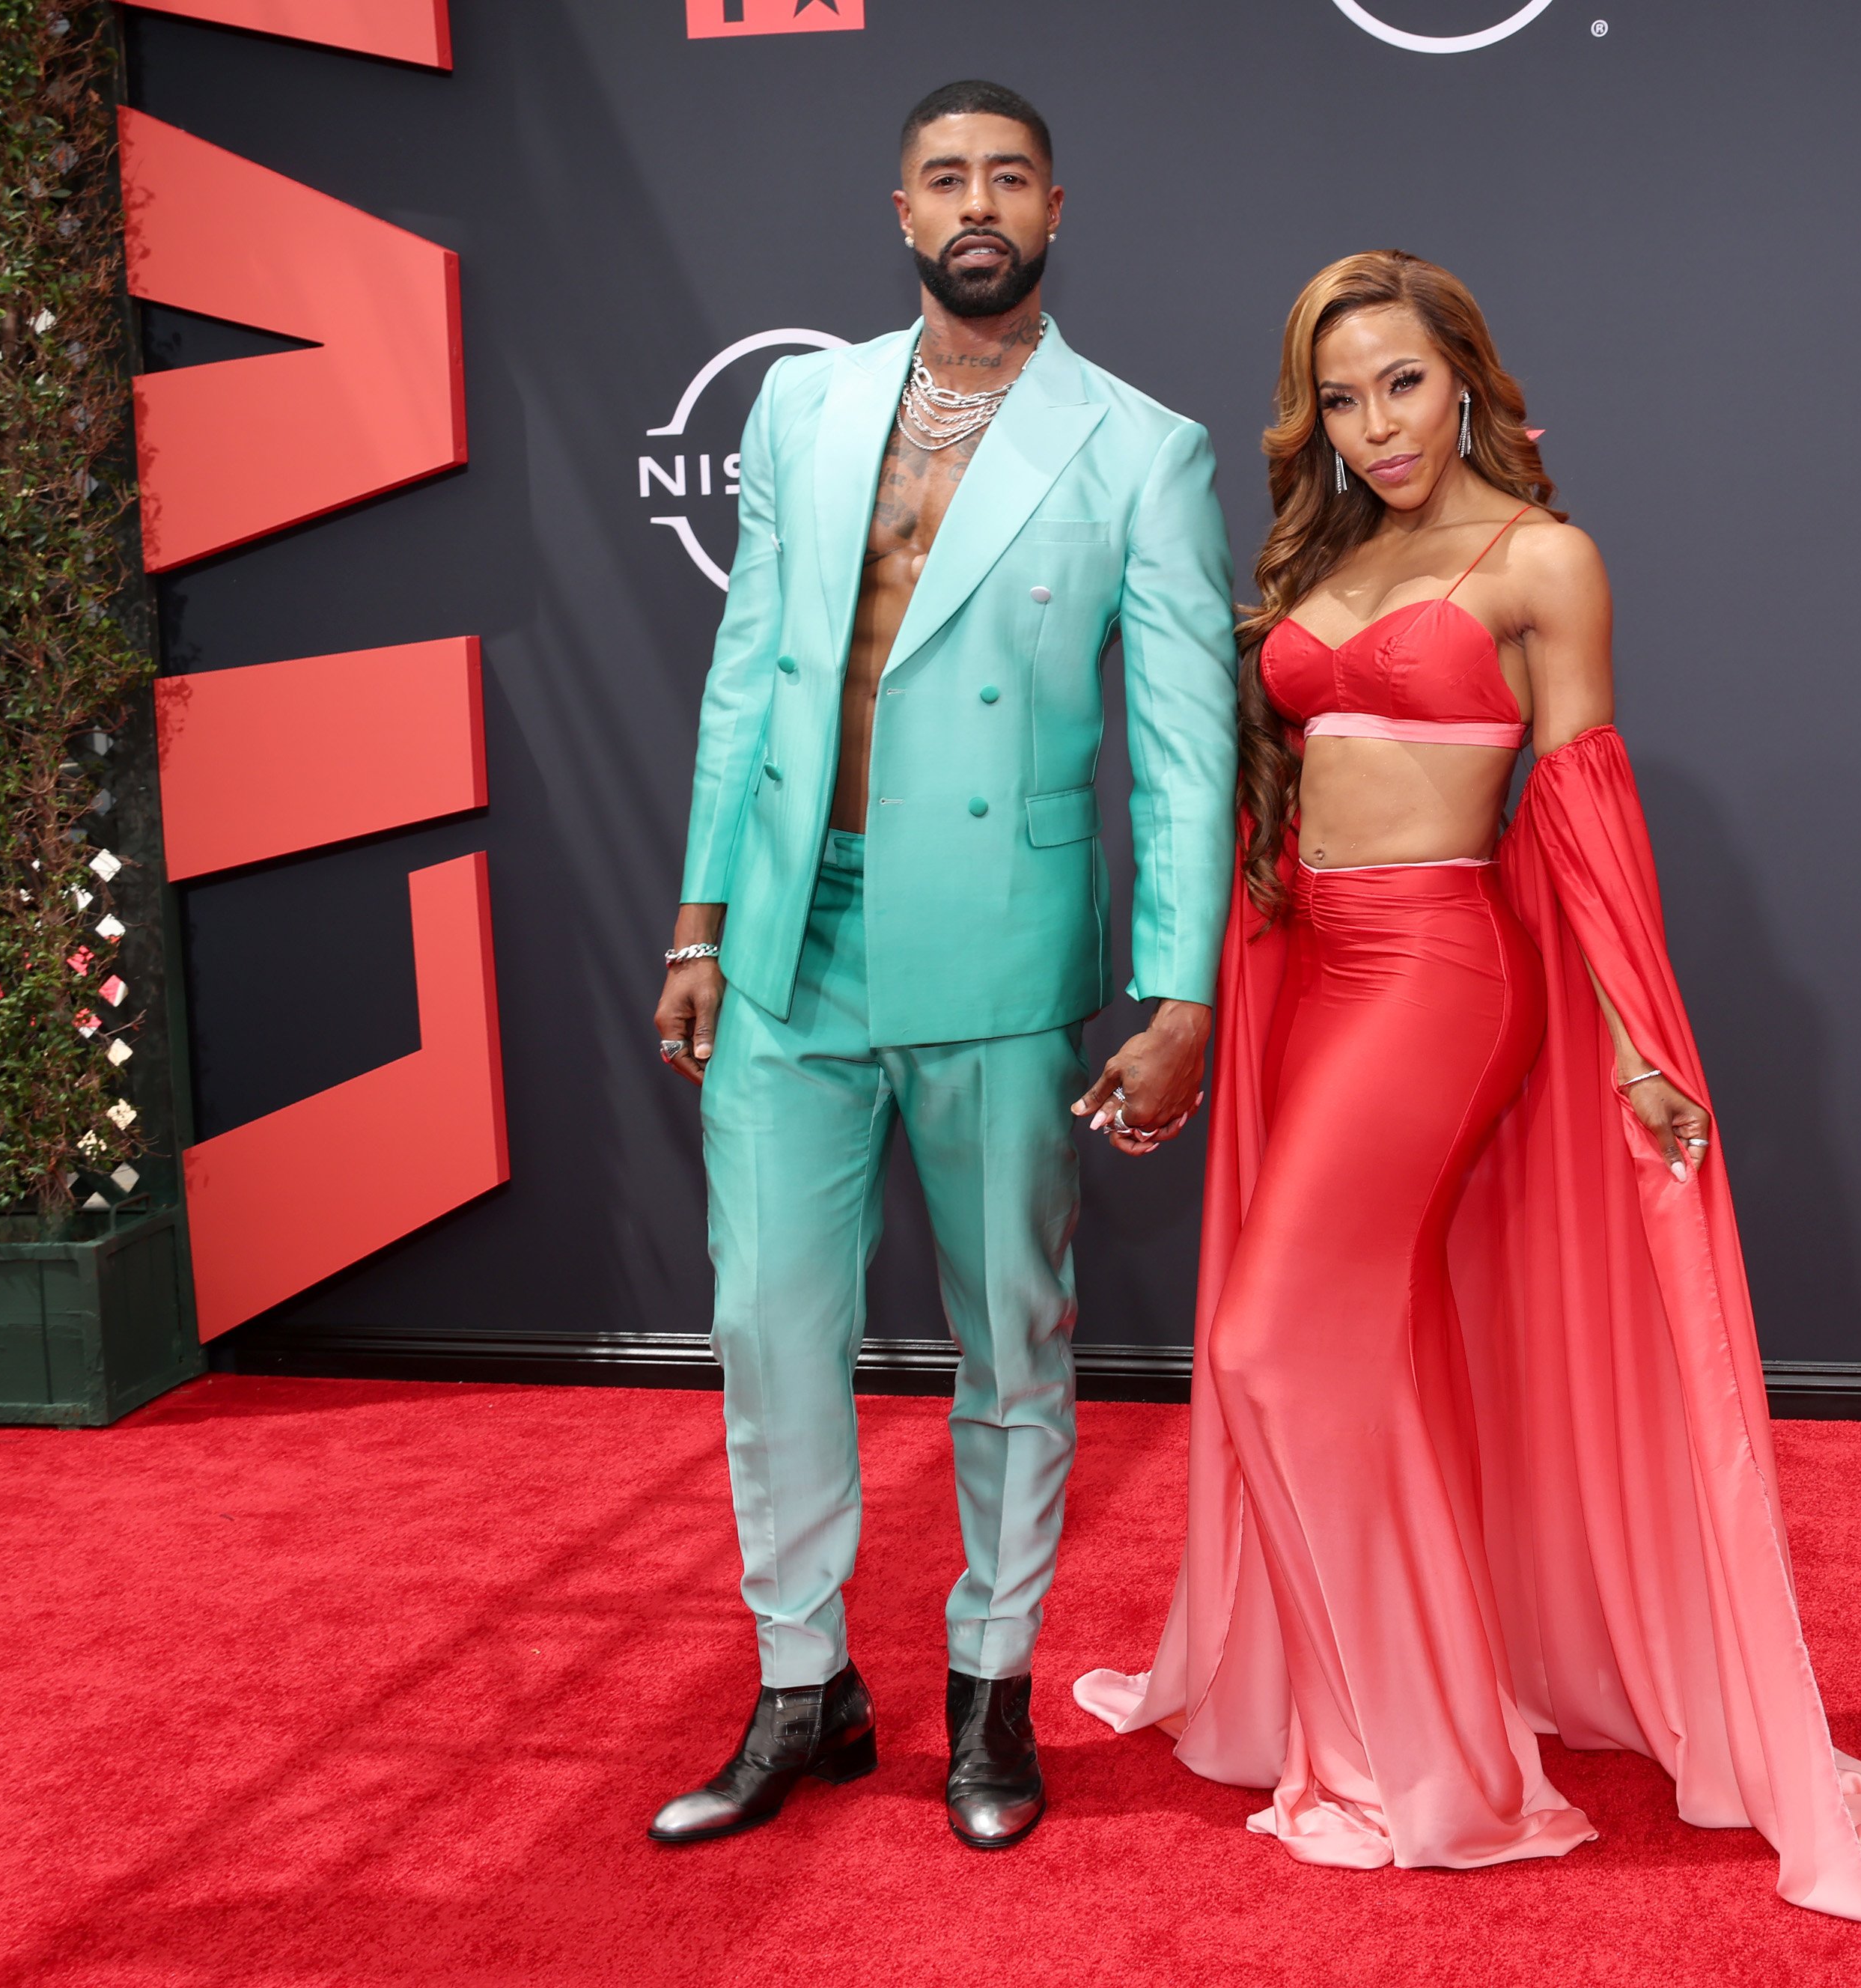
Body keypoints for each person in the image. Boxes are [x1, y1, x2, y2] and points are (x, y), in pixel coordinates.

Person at [1074, 252, 1861, 1934]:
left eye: (1403, 384)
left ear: (1470, 376)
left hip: (1443, 975)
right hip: (1311, 972)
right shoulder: (1327, 552)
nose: (1376, 427)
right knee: (1346, 1344)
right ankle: (1391, 1715)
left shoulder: (1544, 560)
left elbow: (1578, 809)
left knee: (1274, 1342)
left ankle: (1429, 1767)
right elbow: (1250, 803)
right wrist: (1196, 1009)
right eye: (1342, 399)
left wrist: (1644, 1038)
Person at [648, 80, 1235, 1851]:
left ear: (1058, 207)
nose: (975, 202)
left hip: (996, 948)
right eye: (943, 178)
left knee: (1012, 1338)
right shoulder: (800, 404)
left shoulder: (1143, 446)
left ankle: (992, 1690)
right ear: (902, 213)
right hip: (788, 941)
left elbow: (1191, 742)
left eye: (1006, 176)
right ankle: (803, 1685)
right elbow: (748, 671)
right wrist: (699, 919)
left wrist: (1179, 986)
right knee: (769, 1328)